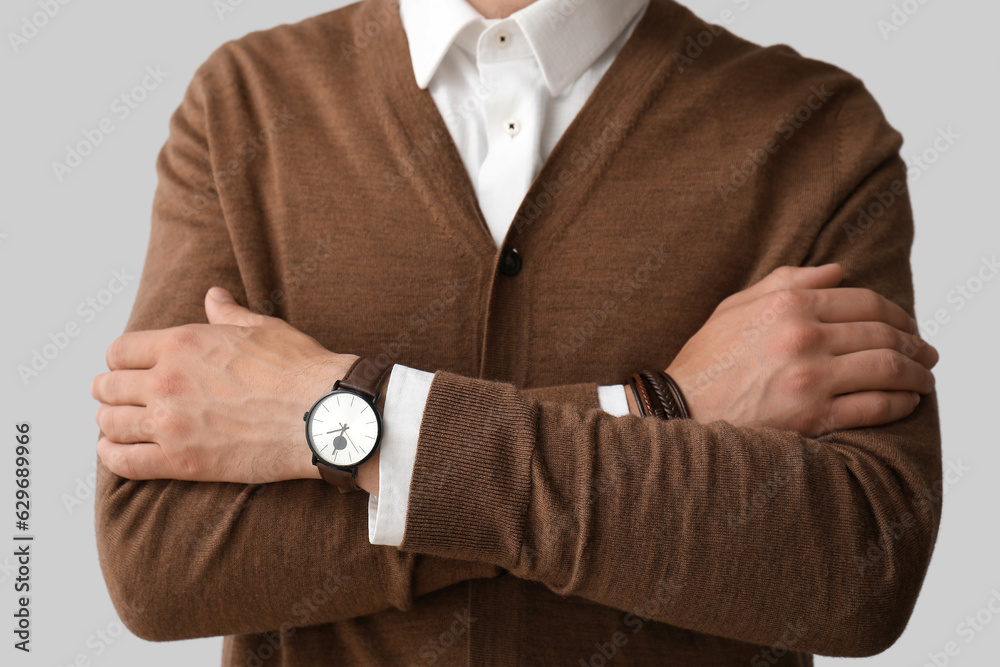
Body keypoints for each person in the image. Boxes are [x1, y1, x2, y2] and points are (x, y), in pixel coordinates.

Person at [91, 0, 942, 664]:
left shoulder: (814, 131)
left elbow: (858, 568)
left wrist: (342, 423)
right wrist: (658, 408)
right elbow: (158, 560)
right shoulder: (245, 105)